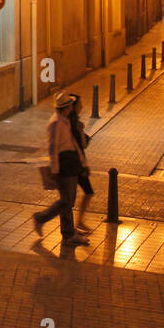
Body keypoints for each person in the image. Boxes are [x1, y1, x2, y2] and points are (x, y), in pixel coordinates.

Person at [32, 91, 90, 246]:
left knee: (68, 201)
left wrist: (82, 162)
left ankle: (68, 234)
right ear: (67, 107)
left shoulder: (64, 121)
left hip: (71, 163)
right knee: (66, 200)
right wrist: (55, 169)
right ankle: (41, 218)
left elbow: (73, 143)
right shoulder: (56, 123)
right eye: (71, 104)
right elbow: (53, 147)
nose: (73, 106)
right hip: (64, 165)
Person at [67, 94, 94, 231]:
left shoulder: (73, 123)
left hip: (77, 163)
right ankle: (75, 224)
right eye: (80, 105)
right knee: (70, 199)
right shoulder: (73, 125)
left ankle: (77, 223)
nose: (82, 107)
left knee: (81, 194)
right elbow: (81, 145)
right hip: (76, 165)